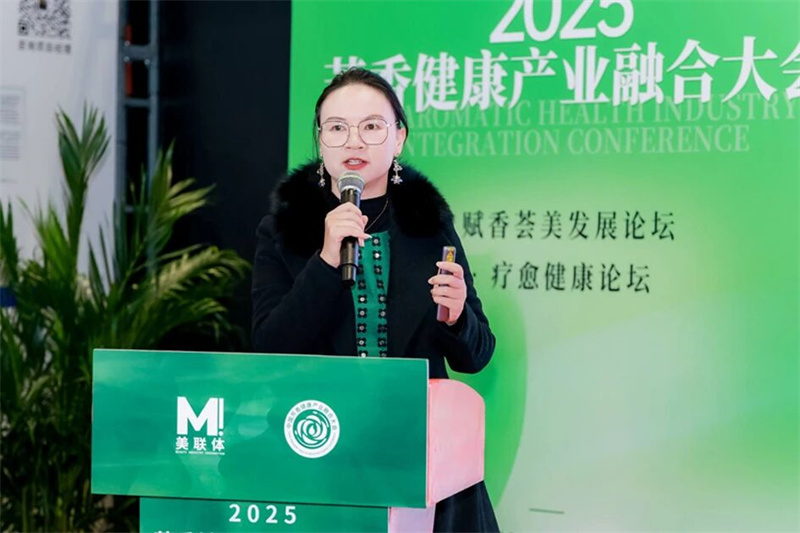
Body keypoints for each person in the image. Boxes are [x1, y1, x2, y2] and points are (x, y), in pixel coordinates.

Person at [252, 67, 499, 532]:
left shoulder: (430, 226)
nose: (354, 142)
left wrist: (456, 316)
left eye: (371, 126)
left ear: (398, 137)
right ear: (320, 140)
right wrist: (325, 262)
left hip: (423, 455)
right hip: (320, 447)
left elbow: (478, 354)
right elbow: (270, 348)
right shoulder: (284, 230)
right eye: (337, 128)